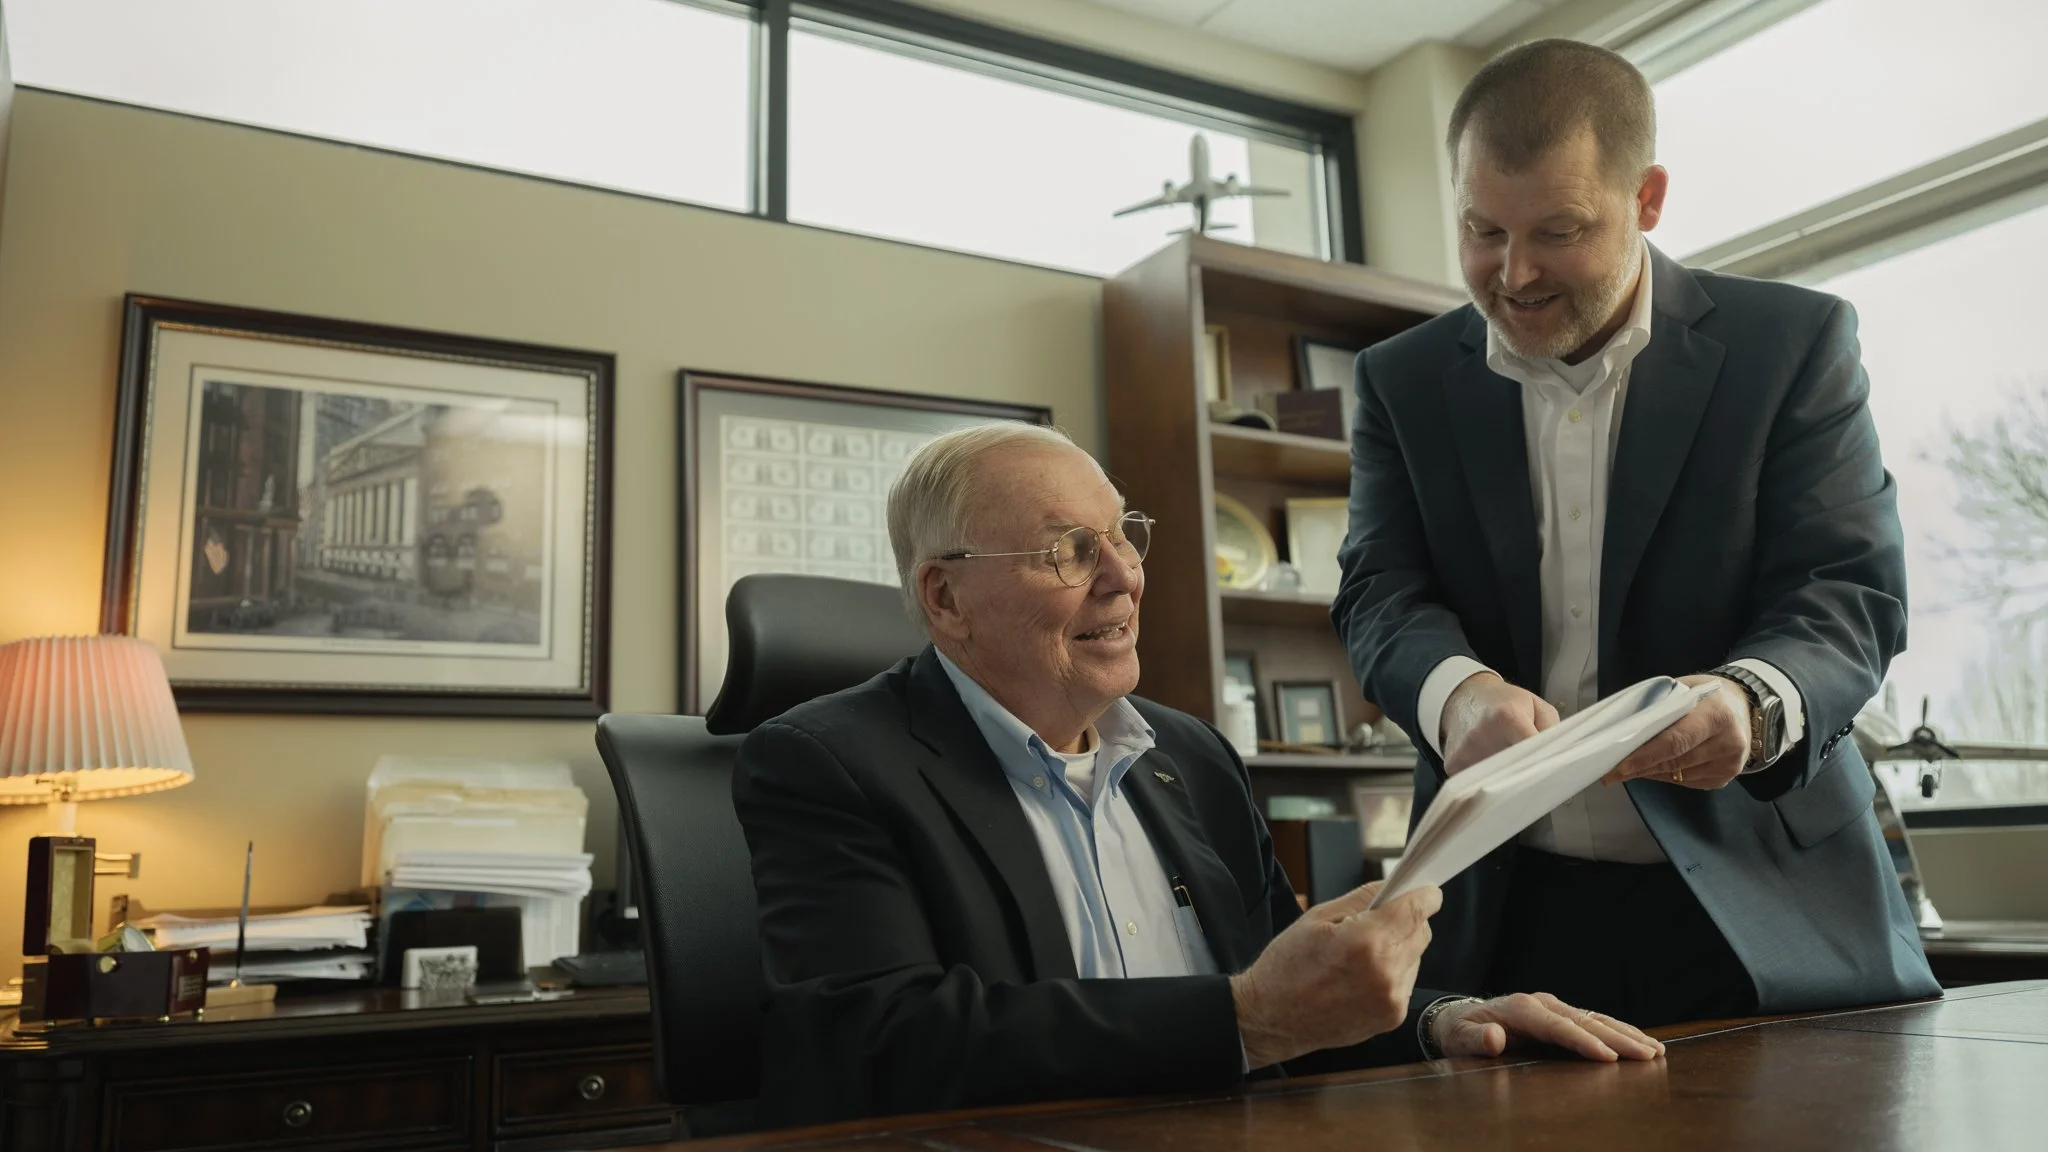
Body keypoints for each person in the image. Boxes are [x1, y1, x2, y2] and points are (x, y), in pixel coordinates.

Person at [733, 423, 1662, 1127]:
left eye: (1122, 535)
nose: (1125, 577)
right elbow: (886, 1042)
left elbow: (1284, 998)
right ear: (946, 598)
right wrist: (1247, 1020)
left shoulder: (1192, 757)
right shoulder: (828, 765)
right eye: (1069, 551)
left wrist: (1442, 1019)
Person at [1332, 39, 1939, 1028]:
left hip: (1758, 906)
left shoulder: (1791, 346)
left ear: (1646, 199)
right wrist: (1457, 696)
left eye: (1556, 232)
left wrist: (1748, 701)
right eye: (1481, 230)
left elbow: (1845, 591)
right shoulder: (1396, 382)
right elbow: (1379, 591)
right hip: (1503, 917)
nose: (1511, 273)